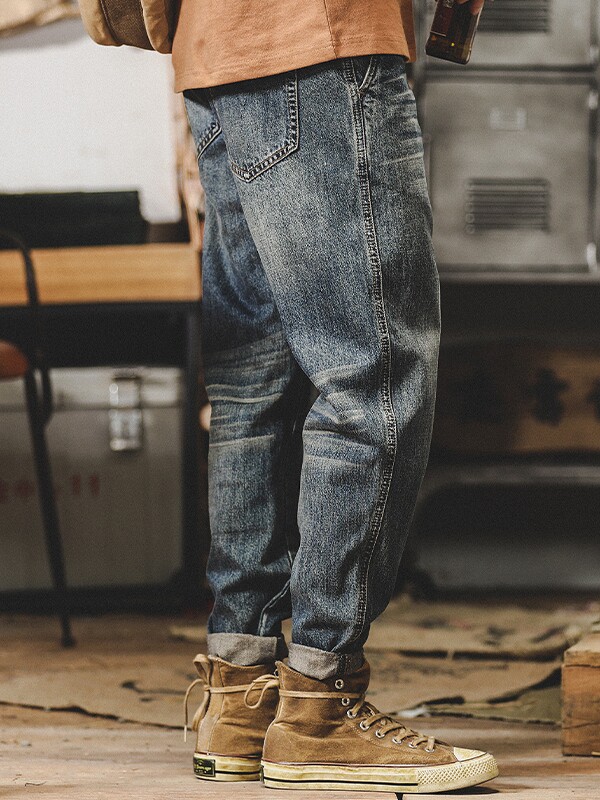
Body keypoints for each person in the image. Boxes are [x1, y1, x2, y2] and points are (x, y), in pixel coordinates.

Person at [176, 0, 498, 792]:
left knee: (256, 385)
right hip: (320, 37)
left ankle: (240, 691)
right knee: (374, 372)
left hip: (218, 48)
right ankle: (320, 705)